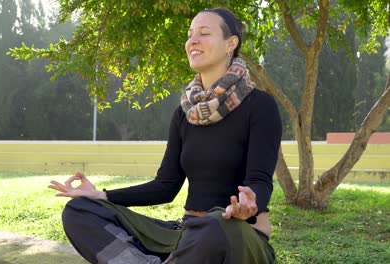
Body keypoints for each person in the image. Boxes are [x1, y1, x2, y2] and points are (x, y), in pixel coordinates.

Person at [48, 7, 282, 264]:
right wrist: (102, 195)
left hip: (239, 234)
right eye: (190, 34)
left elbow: (260, 180)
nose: (192, 40)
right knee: (80, 211)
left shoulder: (260, 105)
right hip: (186, 235)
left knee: (215, 224)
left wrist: (250, 204)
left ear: (231, 43)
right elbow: (165, 186)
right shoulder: (186, 114)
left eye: (204, 33)